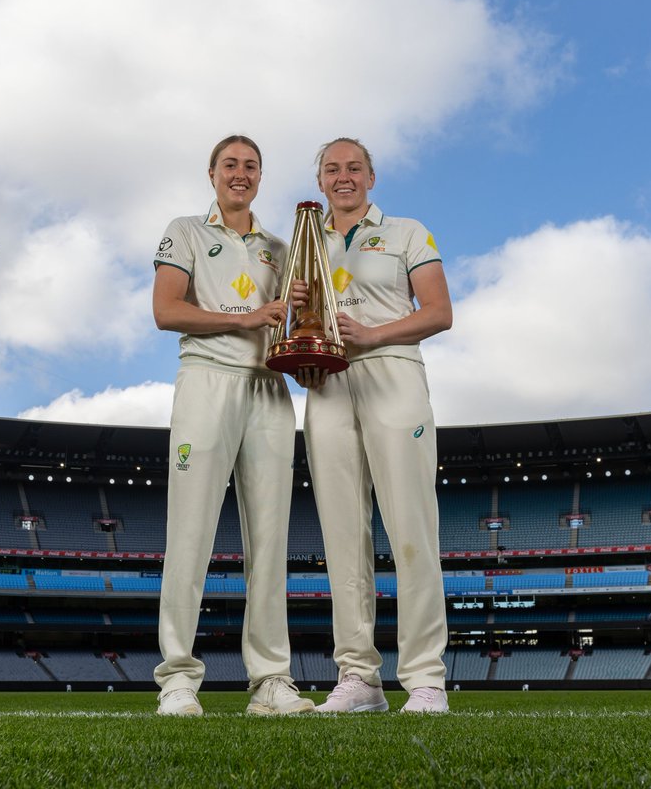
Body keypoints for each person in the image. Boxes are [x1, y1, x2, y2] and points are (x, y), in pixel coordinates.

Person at [151, 134, 313, 717]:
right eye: (230, 165)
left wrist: (300, 317)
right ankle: (177, 678)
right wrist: (246, 317)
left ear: (261, 177)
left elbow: (288, 322)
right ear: (212, 174)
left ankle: (270, 681)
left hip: (268, 389)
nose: (240, 174)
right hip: (207, 380)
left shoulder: (279, 246)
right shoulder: (186, 230)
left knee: (270, 540)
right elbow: (167, 310)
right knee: (190, 530)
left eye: (250, 166)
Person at [297, 136, 453, 714]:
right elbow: (302, 323)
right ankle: (359, 678)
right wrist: (305, 359)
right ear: (320, 182)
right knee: (342, 537)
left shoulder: (408, 231)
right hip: (330, 386)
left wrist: (375, 334)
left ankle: (425, 678)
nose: (344, 177)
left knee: (411, 528)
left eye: (354, 168)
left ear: (371, 177)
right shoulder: (307, 243)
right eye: (333, 169)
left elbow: (439, 311)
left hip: (392, 372)